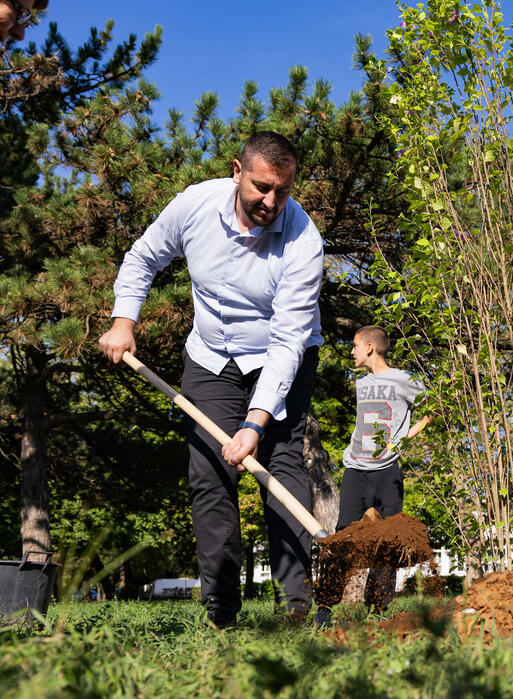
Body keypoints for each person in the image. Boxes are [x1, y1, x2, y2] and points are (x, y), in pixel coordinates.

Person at [99, 131, 322, 628]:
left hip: (281, 357)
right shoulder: (195, 205)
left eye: (282, 191)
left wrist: (256, 423)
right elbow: (142, 257)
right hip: (210, 355)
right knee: (209, 475)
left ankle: (296, 607)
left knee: (282, 467)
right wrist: (123, 322)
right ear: (237, 171)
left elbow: (288, 340)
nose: (271, 201)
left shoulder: (304, 240)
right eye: (262, 187)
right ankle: (221, 609)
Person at [338, 326, 428, 531]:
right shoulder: (361, 382)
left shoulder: (404, 379)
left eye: (355, 346)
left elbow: (435, 409)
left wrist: (402, 440)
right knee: (344, 536)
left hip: (387, 468)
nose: (352, 352)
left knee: (388, 541)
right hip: (354, 467)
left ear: (369, 347)